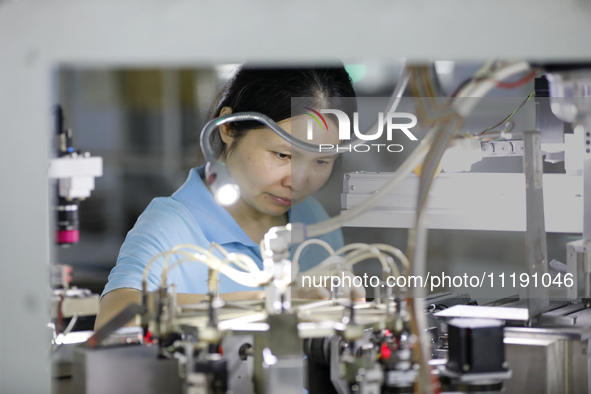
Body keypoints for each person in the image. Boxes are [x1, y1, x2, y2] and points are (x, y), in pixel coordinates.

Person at [95, 65, 362, 329]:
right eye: (283, 155)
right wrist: (269, 302)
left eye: (321, 162)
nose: (298, 182)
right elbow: (113, 317)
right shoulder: (174, 224)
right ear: (229, 127)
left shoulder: (313, 218)